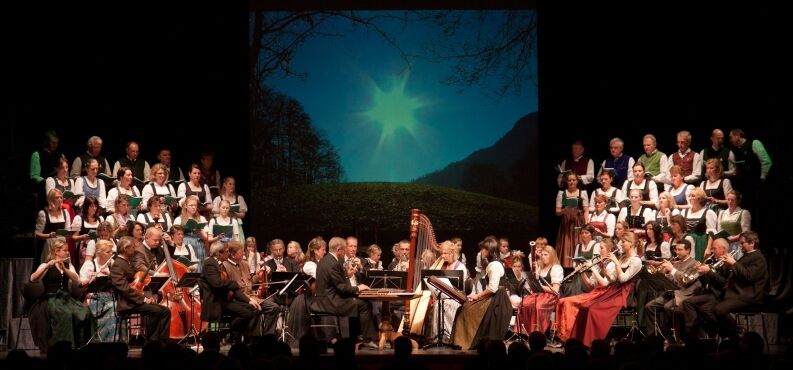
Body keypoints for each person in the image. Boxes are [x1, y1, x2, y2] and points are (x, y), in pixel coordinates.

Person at [568, 232, 642, 347]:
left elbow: (623, 279)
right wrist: (602, 268)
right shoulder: (623, 257)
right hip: (614, 289)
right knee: (585, 306)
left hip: (624, 294)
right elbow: (612, 279)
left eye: (623, 242)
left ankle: (592, 343)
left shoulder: (636, 261)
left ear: (631, 243)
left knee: (593, 310)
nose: (620, 244)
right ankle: (579, 341)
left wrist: (616, 262)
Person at [310, 236, 378, 349]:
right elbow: (341, 288)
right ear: (338, 250)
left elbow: (336, 283)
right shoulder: (333, 263)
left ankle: (360, 337)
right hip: (329, 302)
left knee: (361, 302)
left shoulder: (326, 260)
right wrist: (358, 288)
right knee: (364, 305)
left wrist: (348, 275)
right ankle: (367, 338)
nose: (345, 251)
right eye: (344, 248)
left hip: (326, 298)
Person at [29, 239, 93, 349]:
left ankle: (81, 344)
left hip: (66, 298)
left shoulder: (68, 265)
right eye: (65, 250)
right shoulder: (46, 265)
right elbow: (33, 278)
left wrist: (64, 268)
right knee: (65, 314)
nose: (67, 252)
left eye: (67, 250)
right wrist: (47, 266)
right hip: (51, 298)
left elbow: (76, 280)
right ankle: (63, 346)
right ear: (56, 251)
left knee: (85, 312)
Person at [451, 237, 512, 350]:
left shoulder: (494, 265)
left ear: (488, 250)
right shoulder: (494, 263)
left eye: (483, 249)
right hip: (494, 297)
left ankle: (466, 341)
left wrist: (477, 296)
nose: (481, 252)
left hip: (497, 301)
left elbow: (492, 288)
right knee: (466, 307)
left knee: (466, 309)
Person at [109, 236, 171, 342]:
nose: (134, 250)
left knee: (165, 310)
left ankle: (162, 341)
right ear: (125, 249)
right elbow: (125, 289)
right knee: (157, 311)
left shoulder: (128, 262)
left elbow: (138, 285)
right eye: (132, 247)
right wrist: (143, 299)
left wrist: (147, 296)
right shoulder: (117, 265)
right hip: (127, 303)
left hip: (135, 301)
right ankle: (152, 342)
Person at [200, 242, 262, 341]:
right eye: (226, 252)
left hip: (224, 301)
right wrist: (233, 283)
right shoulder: (209, 263)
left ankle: (236, 336)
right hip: (214, 302)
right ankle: (224, 334)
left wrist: (248, 300)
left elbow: (231, 288)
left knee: (253, 309)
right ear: (218, 254)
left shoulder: (218, 264)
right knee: (246, 313)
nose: (228, 254)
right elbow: (217, 283)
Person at [712, 231, 768, 338]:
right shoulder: (746, 256)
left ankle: (736, 333)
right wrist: (727, 265)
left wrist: (734, 263)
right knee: (710, 309)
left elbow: (749, 276)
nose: (740, 246)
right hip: (736, 294)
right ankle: (729, 337)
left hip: (749, 297)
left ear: (752, 243)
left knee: (719, 310)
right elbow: (737, 273)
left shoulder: (759, 258)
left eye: (742, 243)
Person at [643, 239, 699, 336]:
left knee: (667, 307)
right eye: (676, 249)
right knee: (649, 306)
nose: (677, 252)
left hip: (683, 294)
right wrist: (663, 274)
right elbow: (670, 280)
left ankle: (673, 334)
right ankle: (653, 336)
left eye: (680, 250)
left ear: (688, 250)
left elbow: (685, 281)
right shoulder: (676, 262)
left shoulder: (694, 264)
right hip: (671, 293)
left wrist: (672, 269)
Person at [427, 241, 469, 343]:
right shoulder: (442, 265)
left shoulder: (460, 267)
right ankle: (437, 337)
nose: (442, 256)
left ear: (452, 253)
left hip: (456, 298)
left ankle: (448, 336)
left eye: (445, 253)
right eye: (441, 253)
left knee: (441, 305)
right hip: (443, 298)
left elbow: (459, 289)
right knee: (437, 305)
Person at [79, 240, 117, 342]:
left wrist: (110, 274)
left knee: (115, 306)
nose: (111, 254)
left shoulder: (111, 264)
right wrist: (90, 279)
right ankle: (100, 339)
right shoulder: (89, 264)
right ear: (100, 252)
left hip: (109, 297)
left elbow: (119, 281)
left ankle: (111, 341)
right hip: (92, 298)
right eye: (108, 252)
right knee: (112, 307)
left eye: (111, 252)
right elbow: (80, 284)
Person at [518, 246, 562, 335]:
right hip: (539, 294)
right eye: (542, 255)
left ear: (552, 256)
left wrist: (540, 286)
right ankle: (526, 332)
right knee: (524, 304)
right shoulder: (540, 268)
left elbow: (555, 290)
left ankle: (538, 332)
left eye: (546, 254)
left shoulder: (556, 268)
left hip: (551, 296)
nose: (543, 257)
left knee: (538, 306)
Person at [556, 172, 589, 268]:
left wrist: (586, 224)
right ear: (566, 181)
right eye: (569, 180)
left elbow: (586, 210)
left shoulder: (582, 193)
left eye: (574, 180)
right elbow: (557, 212)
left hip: (578, 221)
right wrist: (565, 210)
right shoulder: (562, 193)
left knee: (577, 243)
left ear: (577, 181)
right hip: (566, 222)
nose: (571, 182)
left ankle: (578, 266)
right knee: (566, 244)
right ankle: (566, 268)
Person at [35, 189, 72, 265]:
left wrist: (68, 235)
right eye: (57, 197)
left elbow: (68, 230)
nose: (60, 200)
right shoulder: (43, 213)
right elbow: (37, 234)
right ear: (50, 199)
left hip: (62, 248)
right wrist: (49, 235)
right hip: (48, 247)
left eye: (61, 197)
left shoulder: (65, 213)